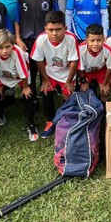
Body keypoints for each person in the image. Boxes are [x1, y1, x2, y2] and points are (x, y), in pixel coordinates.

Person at [15, 0, 59, 113]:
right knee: (31, 72)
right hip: (27, 41)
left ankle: (47, 96)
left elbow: (57, 20)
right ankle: (32, 99)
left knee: (46, 70)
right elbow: (17, 20)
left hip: (46, 41)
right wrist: (18, 39)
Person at [30, 10, 79, 138]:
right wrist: (45, 80)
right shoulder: (41, 39)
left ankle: (64, 119)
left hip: (66, 73)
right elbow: (39, 61)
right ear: (45, 29)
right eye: (50, 30)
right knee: (46, 91)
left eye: (58, 29)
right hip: (50, 72)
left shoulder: (71, 39)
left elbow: (74, 62)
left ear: (65, 28)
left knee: (68, 94)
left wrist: (69, 81)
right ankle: (50, 121)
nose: (54, 33)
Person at [0, 29, 34, 141]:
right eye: (0, 48)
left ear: (13, 44)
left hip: (20, 76)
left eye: (8, 47)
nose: (4, 51)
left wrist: (26, 87)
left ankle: (31, 123)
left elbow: (23, 72)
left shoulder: (17, 52)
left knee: (28, 95)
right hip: (3, 76)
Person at [78, 23, 111, 102]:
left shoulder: (108, 49)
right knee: (83, 91)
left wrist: (105, 83)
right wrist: (83, 81)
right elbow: (79, 68)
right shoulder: (80, 49)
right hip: (86, 72)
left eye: (99, 40)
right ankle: (87, 105)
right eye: (92, 41)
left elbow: (110, 67)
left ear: (103, 39)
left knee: (105, 92)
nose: (96, 44)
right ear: (86, 40)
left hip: (101, 71)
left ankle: (103, 106)